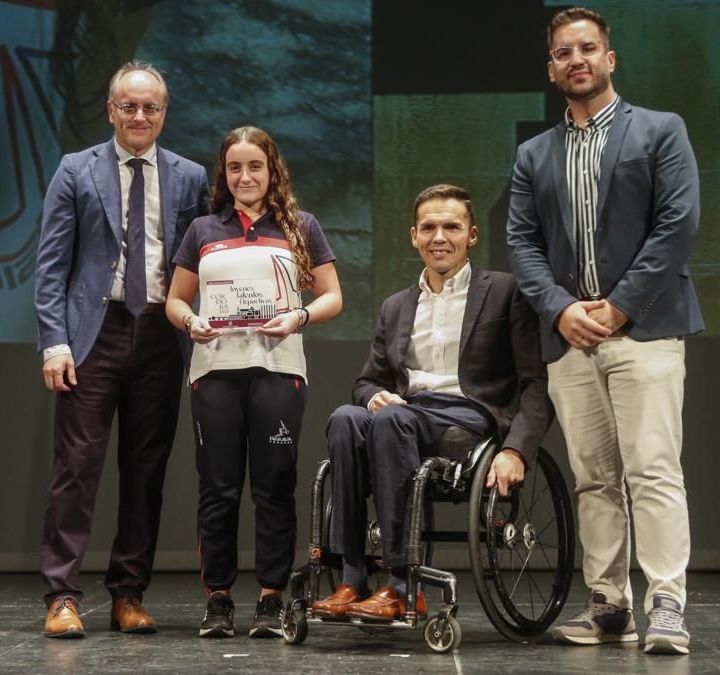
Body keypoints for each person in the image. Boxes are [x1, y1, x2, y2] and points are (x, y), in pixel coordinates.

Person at [506, 7, 705, 656]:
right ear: (551, 69)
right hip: (569, 338)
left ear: (610, 59)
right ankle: (609, 603)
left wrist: (618, 307)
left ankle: (667, 604)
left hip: (643, 329)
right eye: (564, 52)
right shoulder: (534, 154)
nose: (577, 59)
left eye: (588, 48)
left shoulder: (660, 131)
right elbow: (522, 243)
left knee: (651, 469)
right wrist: (562, 309)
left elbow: (677, 224)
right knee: (594, 476)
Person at [311, 184, 551, 622]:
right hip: (407, 415)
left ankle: (403, 584)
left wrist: (516, 449)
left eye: (451, 226)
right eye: (429, 227)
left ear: (472, 235)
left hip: (468, 415)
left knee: (394, 420)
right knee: (346, 419)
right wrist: (374, 396)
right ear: (414, 236)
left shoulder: (504, 291)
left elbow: (534, 382)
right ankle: (350, 577)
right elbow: (367, 381)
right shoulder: (396, 306)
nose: (439, 236)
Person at [34, 62, 209, 638]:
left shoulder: (190, 175)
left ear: (164, 113)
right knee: (75, 471)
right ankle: (61, 595)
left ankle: (128, 594)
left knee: (146, 471)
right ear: (111, 110)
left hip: (162, 335)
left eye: (150, 107)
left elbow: (201, 262)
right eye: (129, 106)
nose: (139, 116)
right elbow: (52, 267)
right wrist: (54, 343)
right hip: (93, 335)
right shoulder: (74, 170)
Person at [165, 126, 343, 639]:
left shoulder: (300, 225)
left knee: (274, 489)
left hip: (279, 372)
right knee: (218, 491)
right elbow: (176, 300)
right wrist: (188, 321)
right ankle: (218, 599)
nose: (245, 176)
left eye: (255, 166)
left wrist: (299, 318)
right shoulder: (202, 228)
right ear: (224, 173)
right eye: (235, 167)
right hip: (214, 373)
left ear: (272, 170)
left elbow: (332, 295)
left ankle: (270, 599)